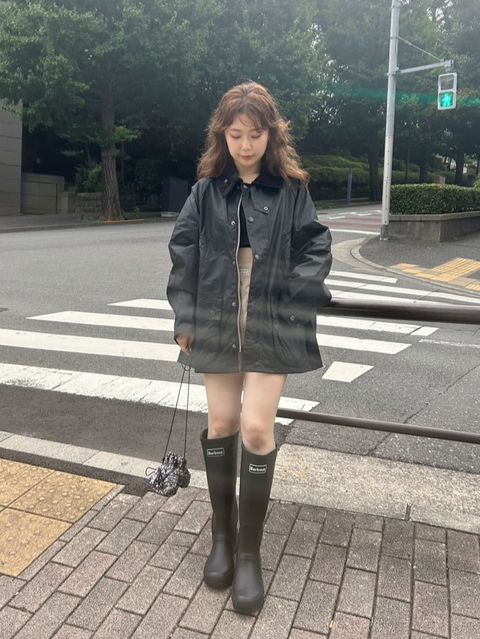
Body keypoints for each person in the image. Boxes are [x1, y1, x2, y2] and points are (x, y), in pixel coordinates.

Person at [166, 81, 332, 615]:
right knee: (221, 425)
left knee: (257, 429)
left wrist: (293, 298)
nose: (244, 144)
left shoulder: (292, 189)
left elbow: (316, 244)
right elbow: (184, 251)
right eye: (235, 134)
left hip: (269, 318)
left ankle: (248, 555)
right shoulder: (205, 191)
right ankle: (221, 537)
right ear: (223, 134)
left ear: (271, 135)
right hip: (215, 315)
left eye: (254, 134)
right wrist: (185, 317)